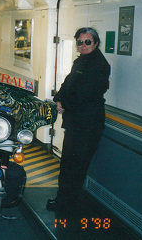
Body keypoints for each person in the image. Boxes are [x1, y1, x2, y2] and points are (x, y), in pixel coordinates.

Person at [46, 27, 110, 212]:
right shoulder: (80, 61)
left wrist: (64, 104)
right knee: (68, 163)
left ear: (96, 43)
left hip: (88, 124)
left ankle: (66, 204)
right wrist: (59, 97)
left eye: (87, 42)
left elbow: (87, 94)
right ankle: (62, 200)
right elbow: (69, 82)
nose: (83, 45)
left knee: (75, 166)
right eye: (80, 42)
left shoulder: (100, 65)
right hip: (76, 122)